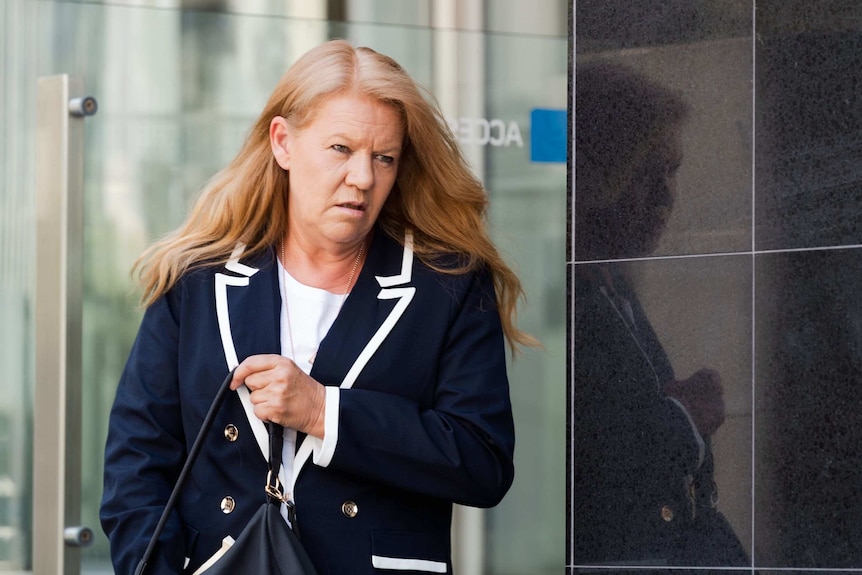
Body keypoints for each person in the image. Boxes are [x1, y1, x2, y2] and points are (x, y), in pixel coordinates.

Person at [100, 39, 533, 575]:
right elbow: (136, 463)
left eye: (384, 157)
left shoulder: (448, 286)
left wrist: (323, 411)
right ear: (283, 143)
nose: (363, 178)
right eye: (340, 149)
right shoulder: (199, 281)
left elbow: (482, 462)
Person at [572, 61, 748, 569]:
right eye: (647, 173)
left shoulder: (611, 286)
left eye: (672, 172)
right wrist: (683, 419)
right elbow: (585, 466)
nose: (667, 196)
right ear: (600, 176)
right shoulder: (566, 296)